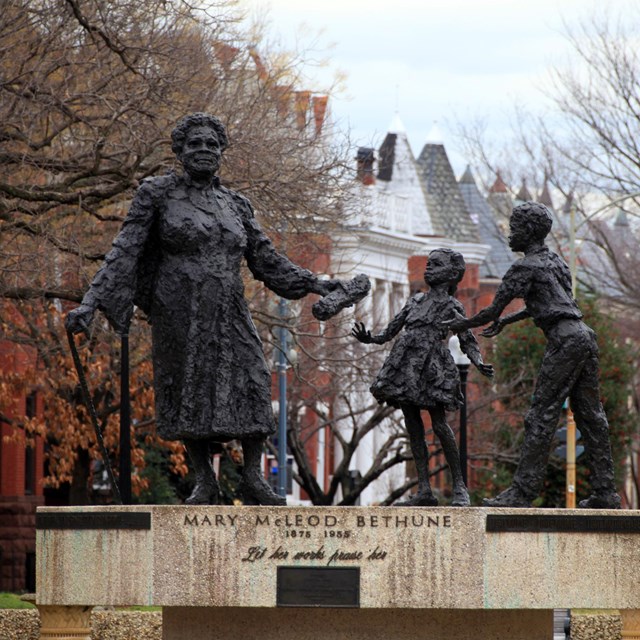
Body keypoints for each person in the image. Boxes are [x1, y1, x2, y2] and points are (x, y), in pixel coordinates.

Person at [65, 113, 341, 506]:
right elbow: (125, 249)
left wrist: (317, 283)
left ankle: (250, 477)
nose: (205, 151)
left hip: (229, 306)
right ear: (179, 151)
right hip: (180, 307)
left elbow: (266, 260)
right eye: (195, 143)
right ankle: (204, 481)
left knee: (253, 379)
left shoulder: (235, 203)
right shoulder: (157, 193)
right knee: (190, 389)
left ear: (222, 152)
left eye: (212, 144)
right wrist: (90, 304)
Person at [444, 201, 621, 509]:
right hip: (583, 336)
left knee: (540, 414)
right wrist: (508, 321)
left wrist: (461, 322)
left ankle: (522, 492)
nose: (508, 233)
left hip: (565, 342)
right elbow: (555, 304)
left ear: (527, 232)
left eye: (513, 228)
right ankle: (606, 492)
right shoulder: (555, 262)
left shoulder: (523, 268)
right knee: (592, 417)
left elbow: (489, 310)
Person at [352, 248, 494, 506]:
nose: (428, 268)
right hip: (406, 365)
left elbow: (467, 339)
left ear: (451, 274)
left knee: (439, 425)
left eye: (436, 265)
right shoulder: (415, 301)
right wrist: (369, 338)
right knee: (413, 426)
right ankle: (424, 489)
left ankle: (460, 487)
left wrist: (479, 361)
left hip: (432, 367)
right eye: (428, 264)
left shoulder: (453, 305)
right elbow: (389, 332)